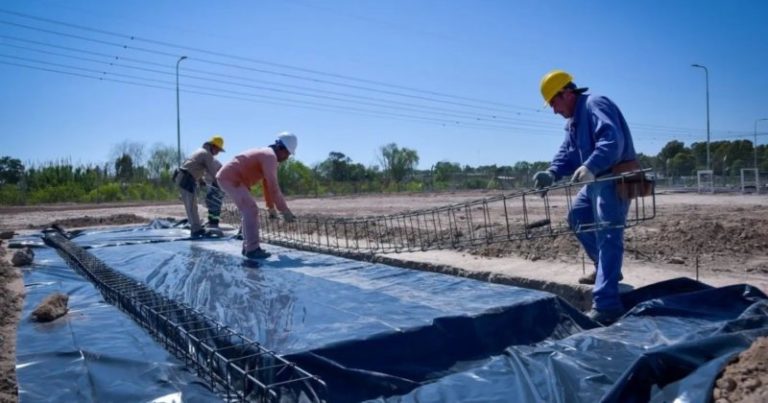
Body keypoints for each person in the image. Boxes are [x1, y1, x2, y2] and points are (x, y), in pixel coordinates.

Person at [532, 70, 638, 325]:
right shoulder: (573, 122)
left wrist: (591, 165)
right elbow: (567, 153)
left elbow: (612, 140)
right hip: (596, 179)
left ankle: (607, 304)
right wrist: (551, 172)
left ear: (566, 93)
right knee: (577, 216)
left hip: (613, 176)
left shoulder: (594, 104)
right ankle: (605, 270)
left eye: (554, 103)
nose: (554, 110)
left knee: (608, 232)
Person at [216, 132, 298, 260]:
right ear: (281, 148)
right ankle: (252, 250)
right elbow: (273, 187)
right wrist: (284, 210)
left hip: (232, 178)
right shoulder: (269, 156)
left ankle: (248, 247)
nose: (287, 158)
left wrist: (271, 207)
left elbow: (267, 184)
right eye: (287, 154)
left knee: (248, 210)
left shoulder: (268, 156)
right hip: (231, 179)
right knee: (251, 209)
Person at [173, 135, 225, 238]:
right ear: (213, 146)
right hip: (186, 178)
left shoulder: (201, 151)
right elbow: (213, 173)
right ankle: (196, 230)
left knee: (192, 205)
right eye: (218, 150)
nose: (218, 153)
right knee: (192, 206)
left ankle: (196, 228)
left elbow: (195, 167)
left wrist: (201, 181)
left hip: (183, 177)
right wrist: (221, 185)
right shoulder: (207, 154)